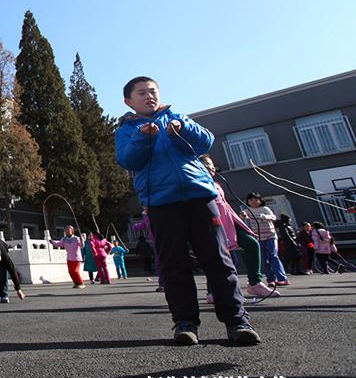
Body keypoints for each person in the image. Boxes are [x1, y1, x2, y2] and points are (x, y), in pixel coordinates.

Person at [115, 76, 258, 346]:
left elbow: (205, 142)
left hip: (199, 196)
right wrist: (144, 139)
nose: (149, 96)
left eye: (153, 91)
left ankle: (237, 321)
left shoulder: (176, 117)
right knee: (173, 264)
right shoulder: (127, 130)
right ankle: (185, 323)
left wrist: (182, 130)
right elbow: (126, 159)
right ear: (129, 101)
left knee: (218, 260)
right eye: (142, 93)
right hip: (161, 202)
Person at [199, 156, 276, 298]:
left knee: (252, 243)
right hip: (212, 222)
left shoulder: (217, 185)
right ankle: (212, 290)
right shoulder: (196, 184)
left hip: (229, 219)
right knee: (216, 256)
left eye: (210, 165)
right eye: (204, 165)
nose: (209, 168)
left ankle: (255, 283)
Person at [241, 193, 289, 287]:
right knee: (264, 259)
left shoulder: (265, 209)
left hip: (270, 236)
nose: (253, 202)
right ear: (247, 202)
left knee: (273, 255)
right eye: (251, 200)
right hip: (258, 238)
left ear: (260, 200)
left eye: (255, 200)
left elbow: (274, 217)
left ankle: (282, 278)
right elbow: (242, 217)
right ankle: (270, 279)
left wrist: (266, 217)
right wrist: (242, 215)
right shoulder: (248, 210)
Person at [132, 211, 165, 291]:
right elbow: (145, 224)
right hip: (154, 244)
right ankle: (163, 283)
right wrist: (135, 227)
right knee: (159, 263)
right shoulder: (146, 215)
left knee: (161, 263)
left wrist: (135, 227)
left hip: (161, 239)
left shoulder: (154, 211)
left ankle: (164, 283)